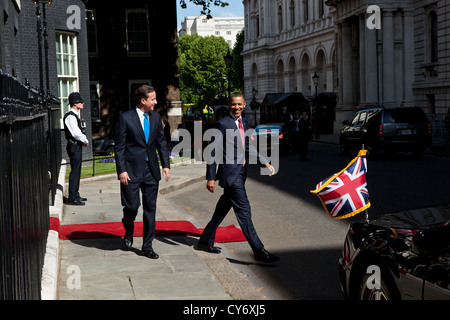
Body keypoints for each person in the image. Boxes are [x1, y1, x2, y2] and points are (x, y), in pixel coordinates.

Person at [197, 92, 280, 263]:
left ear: (244, 105)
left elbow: (247, 146)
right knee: (244, 211)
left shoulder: (244, 122)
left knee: (222, 208)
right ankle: (258, 250)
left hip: (241, 173)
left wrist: (265, 162)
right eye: (234, 104)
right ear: (229, 104)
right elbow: (212, 151)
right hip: (230, 175)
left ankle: (205, 240)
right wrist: (210, 177)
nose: (237, 107)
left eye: (240, 104)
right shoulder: (222, 124)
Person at [115, 85, 171, 259]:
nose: (156, 102)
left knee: (150, 209)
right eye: (153, 99)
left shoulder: (155, 118)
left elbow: (161, 142)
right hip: (131, 171)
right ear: (143, 100)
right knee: (132, 206)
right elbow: (120, 147)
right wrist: (122, 170)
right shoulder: (125, 118)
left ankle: (147, 246)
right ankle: (128, 226)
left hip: (151, 171)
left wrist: (166, 165)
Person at [63, 92, 89, 206]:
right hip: (74, 146)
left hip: (76, 145)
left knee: (77, 170)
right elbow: (76, 133)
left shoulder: (74, 116)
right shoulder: (70, 116)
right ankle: (73, 197)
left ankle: (75, 194)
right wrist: (85, 140)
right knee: (75, 171)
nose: (82, 103)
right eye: (80, 101)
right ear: (74, 104)